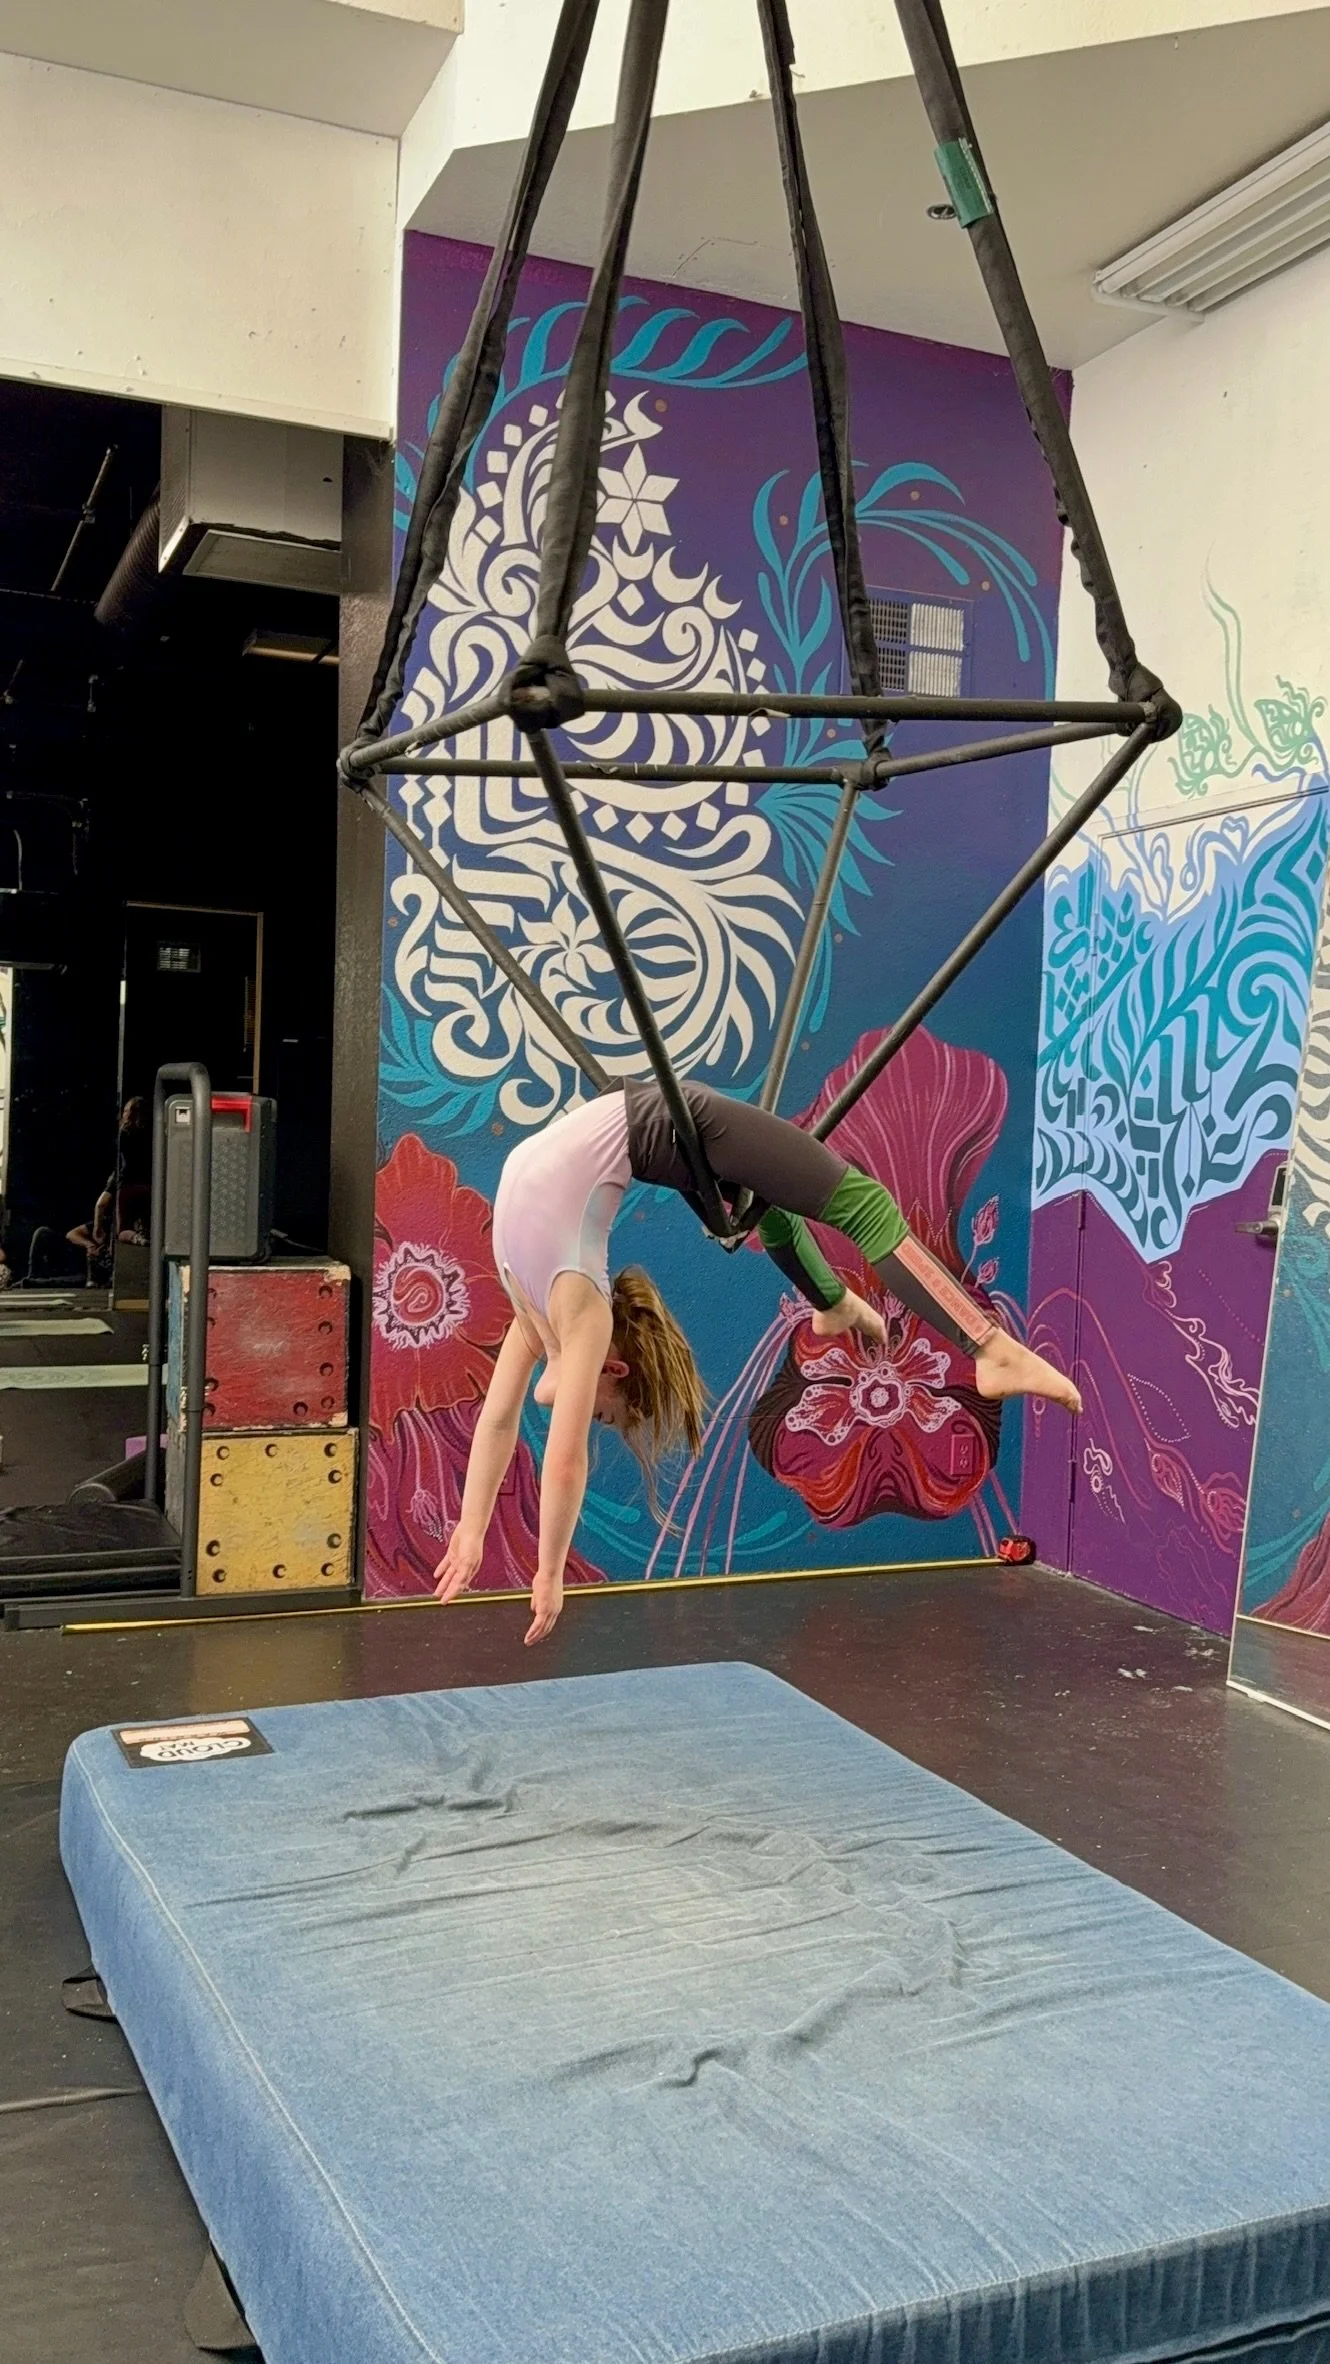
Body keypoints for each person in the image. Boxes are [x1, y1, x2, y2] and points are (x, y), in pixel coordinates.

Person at [434, 1081, 1082, 1645]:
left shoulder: (574, 1319)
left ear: (617, 1370)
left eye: (607, 1418)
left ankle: (987, 1349)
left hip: (661, 1120)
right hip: (643, 1125)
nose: (592, 1416)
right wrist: (472, 1531)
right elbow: (508, 1429)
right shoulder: (546, 1314)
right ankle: (832, 1304)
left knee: (863, 1207)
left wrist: (544, 1572)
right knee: (761, 1205)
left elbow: (553, 1453)